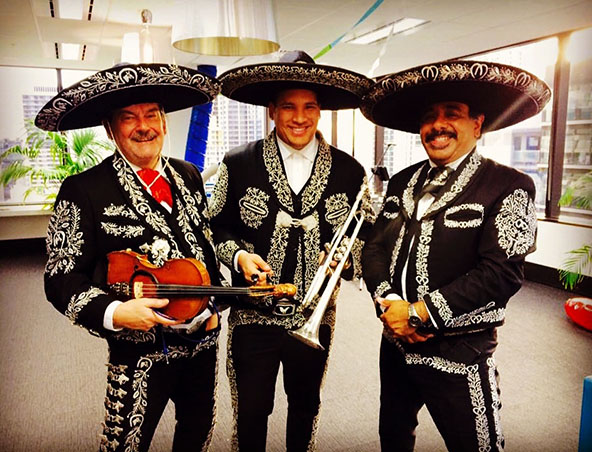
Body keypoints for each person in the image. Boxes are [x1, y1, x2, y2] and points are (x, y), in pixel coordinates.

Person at [360, 60, 551, 451]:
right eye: (430, 117)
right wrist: (391, 303)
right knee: (393, 438)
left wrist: (420, 312)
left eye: (452, 114)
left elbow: (501, 275)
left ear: (477, 125)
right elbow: (375, 246)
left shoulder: (509, 185)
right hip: (395, 342)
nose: (438, 124)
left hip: (460, 350)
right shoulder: (401, 180)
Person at [37, 63, 224, 452]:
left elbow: (203, 249)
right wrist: (114, 312)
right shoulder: (84, 189)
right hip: (139, 353)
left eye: (151, 114)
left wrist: (214, 303)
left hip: (203, 346)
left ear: (164, 122)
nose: (144, 126)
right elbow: (60, 276)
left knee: (197, 433)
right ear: (110, 129)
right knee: (125, 444)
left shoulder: (189, 175)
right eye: (129, 117)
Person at [209, 50, 375, 451]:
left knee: (305, 407)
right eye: (288, 107)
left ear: (320, 111)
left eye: (309, 107)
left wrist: (344, 261)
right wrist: (237, 257)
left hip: (315, 318)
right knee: (250, 411)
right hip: (253, 313)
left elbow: (367, 239)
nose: (300, 117)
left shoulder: (351, 171)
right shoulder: (238, 163)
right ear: (272, 110)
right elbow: (215, 227)